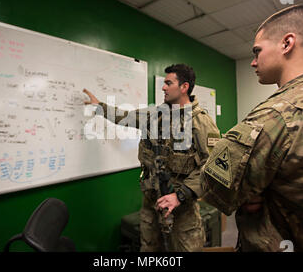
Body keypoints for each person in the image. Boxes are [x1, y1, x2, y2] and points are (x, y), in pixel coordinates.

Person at [200, 5, 303, 252]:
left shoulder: (280, 113)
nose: (253, 62)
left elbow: (213, 186)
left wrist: (252, 192)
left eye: (257, 51)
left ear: (287, 43)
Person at [83, 64, 220, 251]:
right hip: (151, 203)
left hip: (181, 210)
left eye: (168, 83)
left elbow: (213, 168)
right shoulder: (155, 115)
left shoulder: (200, 122)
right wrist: (100, 106)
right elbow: (125, 117)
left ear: (184, 87)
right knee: (148, 250)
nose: (163, 87)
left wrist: (180, 196)